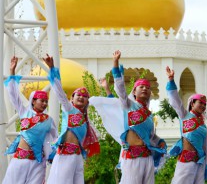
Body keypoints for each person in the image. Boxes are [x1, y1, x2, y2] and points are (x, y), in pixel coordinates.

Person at [91, 50, 167, 184]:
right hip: (132, 158)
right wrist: (115, 63)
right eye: (141, 86)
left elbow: (150, 136)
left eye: (147, 88)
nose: (145, 89)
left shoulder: (149, 115)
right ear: (134, 91)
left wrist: (159, 141)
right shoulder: (128, 105)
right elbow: (120, 89)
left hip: (147, 158)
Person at [43, 54, 100, 184]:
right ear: (71, 99)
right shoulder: (68, 109)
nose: (81, 97)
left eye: (84, 96)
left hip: (77, 156)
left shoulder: (86, 120)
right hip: (65, 154)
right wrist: (52, 68)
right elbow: (59, 92)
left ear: (87, 102)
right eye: (78, 95)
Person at [3, 56, 58, 184]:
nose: (44, 103)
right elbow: (13, 94)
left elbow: (54, 138)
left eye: (46, 101)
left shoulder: (49, 120)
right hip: (20, 159)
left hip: (38, 162)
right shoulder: (25, 112)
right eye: (42, 101)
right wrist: (12, 70)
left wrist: (53, 153)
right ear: (33, 101)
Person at [166, 66, 207, 184]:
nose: (203, 106)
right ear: (192, 103)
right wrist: (171, 81)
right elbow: (175, 101)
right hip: (186, 161)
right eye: (201, 103)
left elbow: (204, 145)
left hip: (200, 162)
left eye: (205, 104)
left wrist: (206, 165)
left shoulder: (203, 125)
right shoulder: (184, 115)